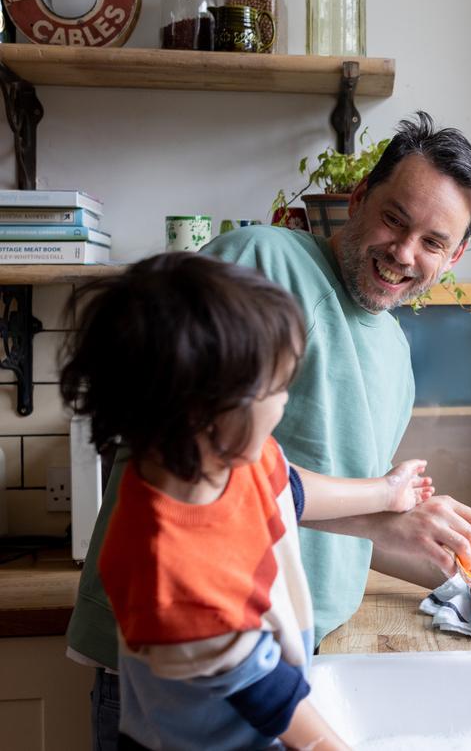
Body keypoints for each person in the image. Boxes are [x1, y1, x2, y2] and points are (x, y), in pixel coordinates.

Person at [68, 111, 471, 749]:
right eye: (393, 219)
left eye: (433, 242)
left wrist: (405, 523)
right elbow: (192, 465)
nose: (404, 253)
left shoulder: (397, 358)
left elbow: (287, 500)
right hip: (185, 667)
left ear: (455, 255)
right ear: (357, 201)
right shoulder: (262, 262)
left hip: (299, 659)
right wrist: (384, 504)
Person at [62, 253, 433, 749]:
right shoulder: (171, 570)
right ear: (206, 407)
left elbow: (289, 490)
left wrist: (387, 493)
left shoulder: (220, 458)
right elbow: (270, 696)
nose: (284, 401)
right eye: (278, 387)